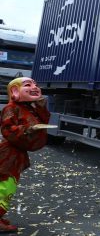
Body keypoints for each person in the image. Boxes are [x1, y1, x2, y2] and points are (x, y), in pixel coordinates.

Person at [0, 77, 51, 232]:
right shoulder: (11, 108)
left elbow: (44, 121)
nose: (35, 87)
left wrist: (41, 107)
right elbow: (7, 130)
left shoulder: (29, 107)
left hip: (18, 154)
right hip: (9, 155)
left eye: (36, 84)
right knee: (6, 187)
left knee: (9, 185)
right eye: (28, 85)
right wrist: (27, 129)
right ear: (15, 91)